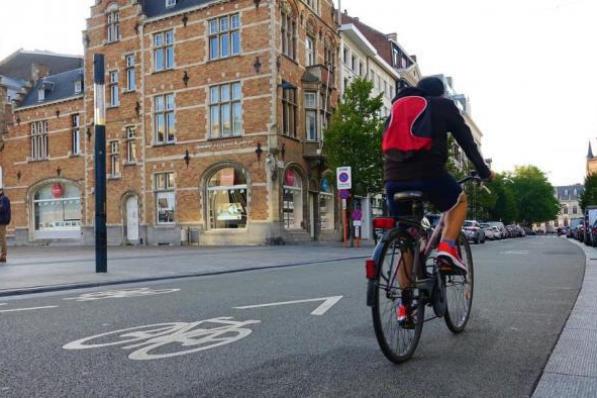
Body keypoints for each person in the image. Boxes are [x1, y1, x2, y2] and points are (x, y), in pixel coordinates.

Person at [382, 77, 493, 324]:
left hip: (393, 179)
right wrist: (485, 172)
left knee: (405, 240)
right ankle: (447, 249)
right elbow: (468, 143)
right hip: (429, 175)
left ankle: (405, 307)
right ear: (442, 94)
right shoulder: (443, 106)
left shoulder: (398, 107)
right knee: (458, 201)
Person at [0, 188, 10, 263]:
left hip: (2, 221)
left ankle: (3, 255)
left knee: (2, 238)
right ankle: (2, 255)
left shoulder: (4, 198)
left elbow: (3, 208)